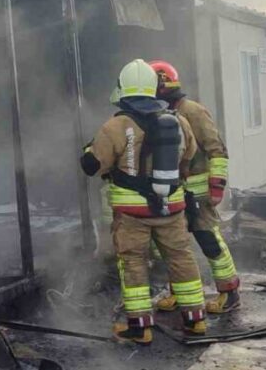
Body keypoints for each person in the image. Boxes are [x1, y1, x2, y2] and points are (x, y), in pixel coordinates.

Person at [81, 59, 207, 344]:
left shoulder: (116, 126)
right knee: (181, 258)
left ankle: (140, 328)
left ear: (123, 88)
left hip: (132, 213)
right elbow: (189, 156)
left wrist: (90, 149)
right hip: (172, 208)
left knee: (134, 262)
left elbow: (92, 165)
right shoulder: (179, 121)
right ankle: (196, 320)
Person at [148, 61, 241, 315]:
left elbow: (217, 150)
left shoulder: (193, 111)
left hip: (197, 193)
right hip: (174, 192)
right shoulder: (160, 114)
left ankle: (229, 292)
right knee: (172, 246)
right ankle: (179, 292)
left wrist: (216, 186)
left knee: (209, 240)